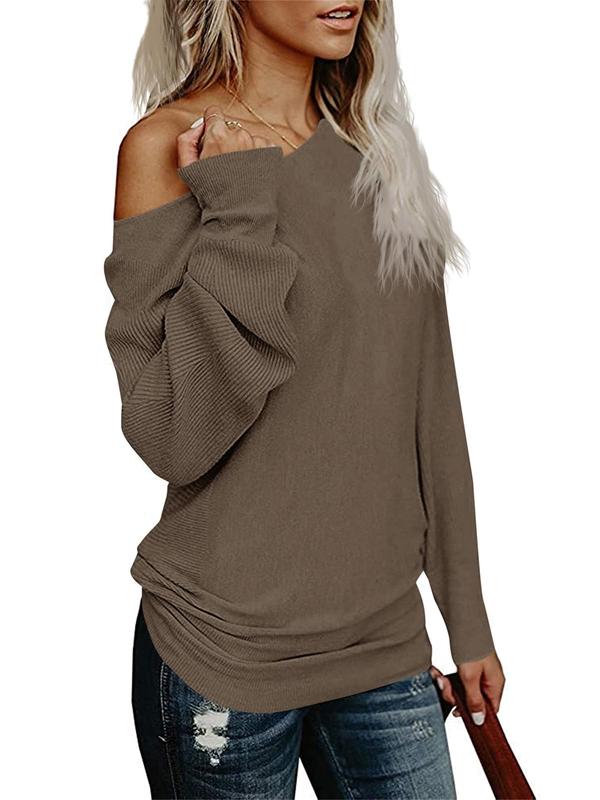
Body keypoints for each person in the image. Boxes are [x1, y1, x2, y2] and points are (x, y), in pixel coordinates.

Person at [103, 1, 505, 797]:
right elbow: (173, 435)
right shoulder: (168, 147)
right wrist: (240, 208)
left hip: (383, 651)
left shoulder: (377, 155)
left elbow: (430, 405)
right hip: (221, 655)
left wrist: (468, 618)